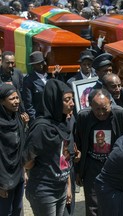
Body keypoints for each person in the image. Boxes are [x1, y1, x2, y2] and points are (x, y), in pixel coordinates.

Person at [23, 79, 75, 216]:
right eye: (67, 100)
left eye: (72, 99)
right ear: (55, 101)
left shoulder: (64, 123)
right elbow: (27, 162)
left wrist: (68, 186)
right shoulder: (41, 128)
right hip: (44, 190)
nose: (72, 103)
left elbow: (65, 159)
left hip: (61, 187)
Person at [75, 88, 123, 216]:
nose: (101, 113)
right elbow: (78, 144)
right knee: (93, 204)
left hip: (113, 165)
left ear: (110, 103)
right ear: (90, 106)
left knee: (113, 201)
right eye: (97, 109)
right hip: (92, 165)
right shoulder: (83, 116)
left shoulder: (120, 113)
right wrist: (78, 171)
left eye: (104, 108)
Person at [0, 83, 25, 216]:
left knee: (17, 209)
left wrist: (23, 171)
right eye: (12, 99)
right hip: (4, 179)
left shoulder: (17, 119)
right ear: (2, 101)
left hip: (18, 174)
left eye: (17, 98)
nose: (16, 102)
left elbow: (20, 147)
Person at [22, 51, 62, 122]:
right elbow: (28, 104)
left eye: (41, 62)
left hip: (53, 115)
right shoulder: (28, 80)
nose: (40, 65)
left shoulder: (50, 76)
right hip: (39, 117)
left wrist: (55, 76)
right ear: (33, 65)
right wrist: (35, 120)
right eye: (37, 64)